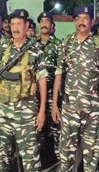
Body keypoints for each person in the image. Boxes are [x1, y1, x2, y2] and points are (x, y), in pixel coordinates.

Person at [51, 5, 99, 171]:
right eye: (78, 18)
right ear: (75, 21)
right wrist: (55, 104)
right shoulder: (66, 42)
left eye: (85, 18)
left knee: (91, 154)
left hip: (91, 110)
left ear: (91, 22)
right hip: (70, 108)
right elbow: (58, 74)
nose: (81, 21)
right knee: (66, 155)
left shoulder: (98, 44)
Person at [0, 9, 47, 171]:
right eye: (12, 24)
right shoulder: (3, 47)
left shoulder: (36, 50)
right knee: (1, 160)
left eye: (19, 24)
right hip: (3, 115)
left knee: (31, 163)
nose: (15, 28)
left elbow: (42, 81)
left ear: (27, 26)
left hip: (26, 116)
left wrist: (41, 112)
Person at [37, 11, 62, 163]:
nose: (44, 23)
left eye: (47, 21)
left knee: (56, 126)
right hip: (37, 94)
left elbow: (60, 71)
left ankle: (59, 159)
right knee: (38, 128)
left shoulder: (58, 44)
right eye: (42, 21)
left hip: (53, 92)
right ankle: (40, 159)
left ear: (52, 25)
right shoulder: (32, 44)